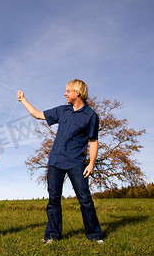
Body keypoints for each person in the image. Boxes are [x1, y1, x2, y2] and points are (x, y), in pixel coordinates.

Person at [17, 79, 104, 244]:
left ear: (77, 93)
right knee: (53, 199)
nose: (65, 94)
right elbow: (38, 114)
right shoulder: (63, 110)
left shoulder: (91, 116)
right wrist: (23, 100)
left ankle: (94, 235)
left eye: (68, 91)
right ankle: (52, 235)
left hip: (76, 162)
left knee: (84, 198)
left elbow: (93, 141)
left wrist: (91, 163)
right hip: (55, 161)